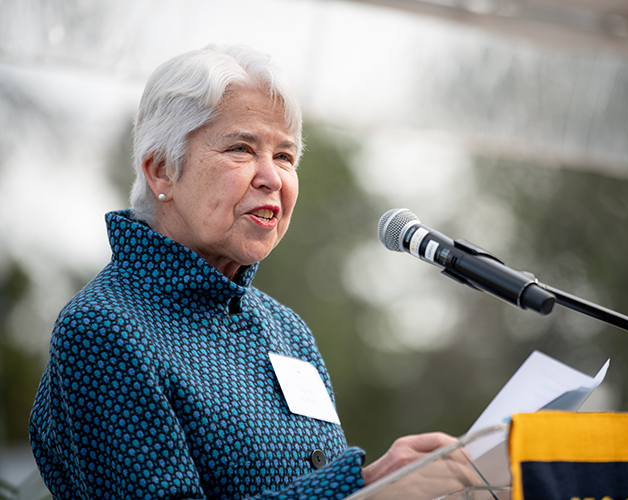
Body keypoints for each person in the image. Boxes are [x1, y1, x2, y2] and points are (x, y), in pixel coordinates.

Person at [29, 44, 474, 500]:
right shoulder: (104, 329)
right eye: (241, 149)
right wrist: (366, 486)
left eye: (285, 157)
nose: (272, 178)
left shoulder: (287, 329)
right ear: (161, 171)